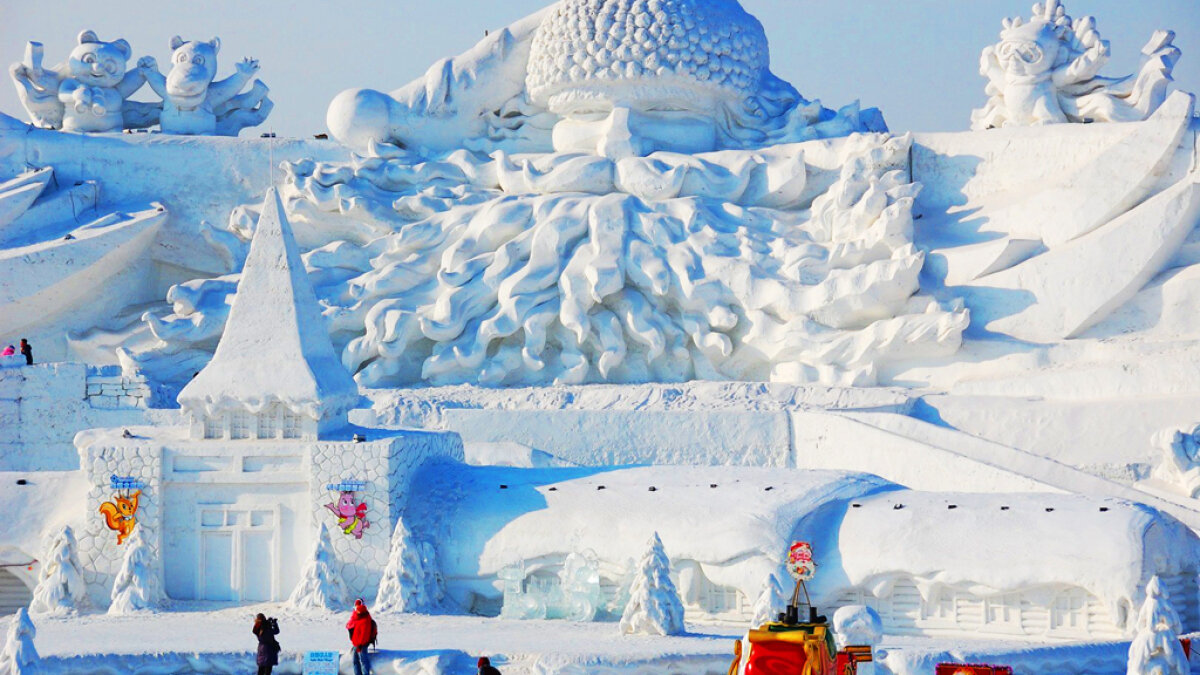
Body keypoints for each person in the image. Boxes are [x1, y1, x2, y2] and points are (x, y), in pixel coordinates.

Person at [346, 598, 377, 675]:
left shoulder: (364, 619)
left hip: (362, 644)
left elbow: (364, 634)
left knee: (363, 661)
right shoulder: (357, 617)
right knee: (355, 660)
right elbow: (351, 627)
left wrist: (360, 644)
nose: (357, 611)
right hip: (357, 643)